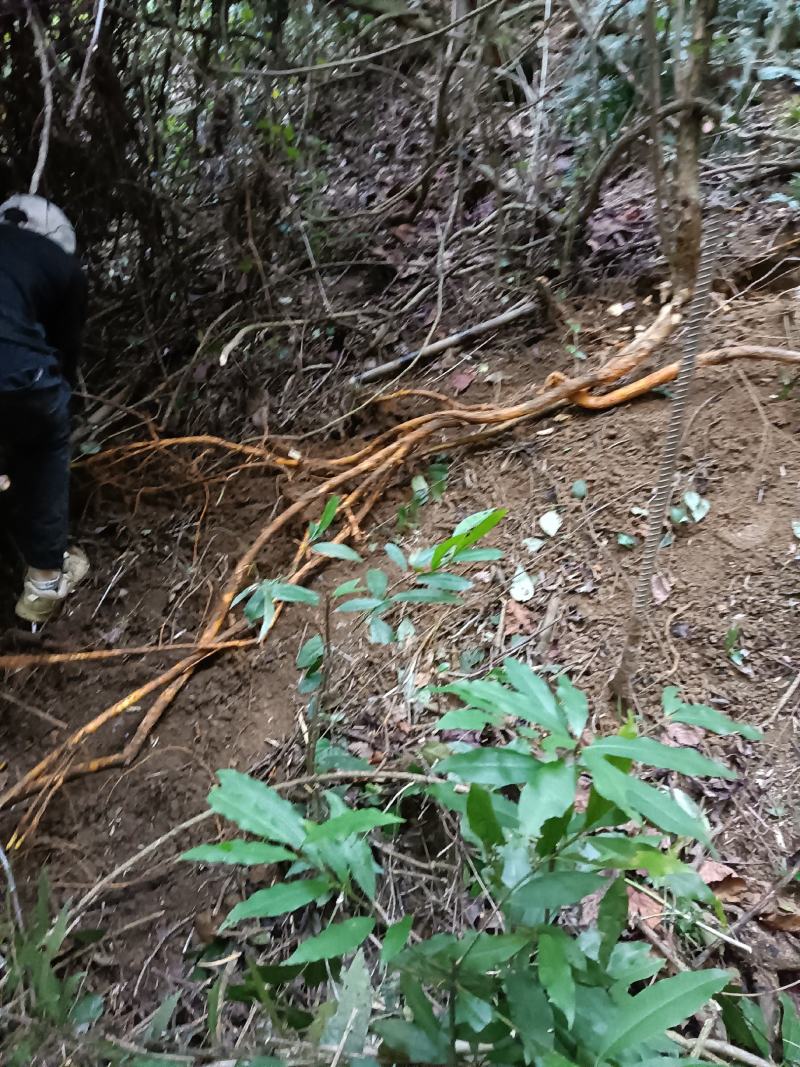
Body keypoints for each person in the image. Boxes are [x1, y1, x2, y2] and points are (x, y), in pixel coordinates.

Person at [0, 193, 90, 624]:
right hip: (18, 375)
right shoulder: (63, 266)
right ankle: (43, 585)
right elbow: (62, 353)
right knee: (48, 438)